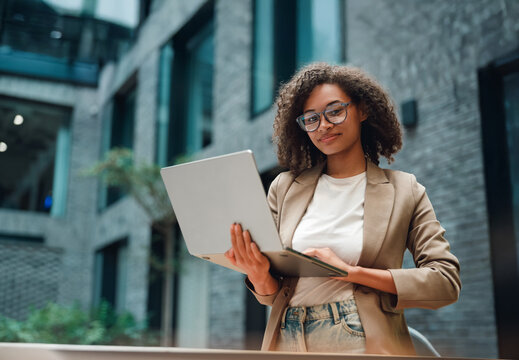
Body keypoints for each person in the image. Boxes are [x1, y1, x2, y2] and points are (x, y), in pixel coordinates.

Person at [224, 63, 461, 355]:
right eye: (311, 118)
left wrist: (351, 273)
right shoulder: (285, 188)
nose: (323, 125)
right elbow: (274, 295)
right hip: (286, 336)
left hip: (357, 336)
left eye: (335, 111)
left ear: (363, 110)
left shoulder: (405, 190)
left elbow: (445, 282)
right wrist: (258, 274)